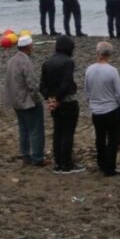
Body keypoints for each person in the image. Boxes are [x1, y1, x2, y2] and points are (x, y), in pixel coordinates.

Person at [40, 35, 85, 174]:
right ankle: (67, 164)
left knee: (57, 132)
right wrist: (58, 98)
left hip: (54, 103)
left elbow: (42, 85)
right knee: (67, 133)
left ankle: (58, 163)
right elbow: (66, 84)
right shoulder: (68, 62)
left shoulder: (47, 63)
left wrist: (50, 98)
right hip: (68, 102)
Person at [2, 34, 46, 167]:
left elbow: (8, 82)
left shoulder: (11, 60)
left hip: (15, 100)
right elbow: (31, 83)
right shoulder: (25, 61)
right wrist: (37, 99)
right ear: (28, 46)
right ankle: (37, 157)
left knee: (23, 128)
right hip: (27, 101)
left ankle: (26, 156)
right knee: (36, 129)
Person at [84, 41, 120, 176]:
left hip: (96, 109)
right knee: (113, 139)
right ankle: (110, 167)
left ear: (97, 53)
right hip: (111, 108)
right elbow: (119, 93)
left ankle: (101, 163)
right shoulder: (112, 71)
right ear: (110, 54)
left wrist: (91, 103)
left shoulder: (89, 69)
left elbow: (87, 90)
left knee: (100, 138)